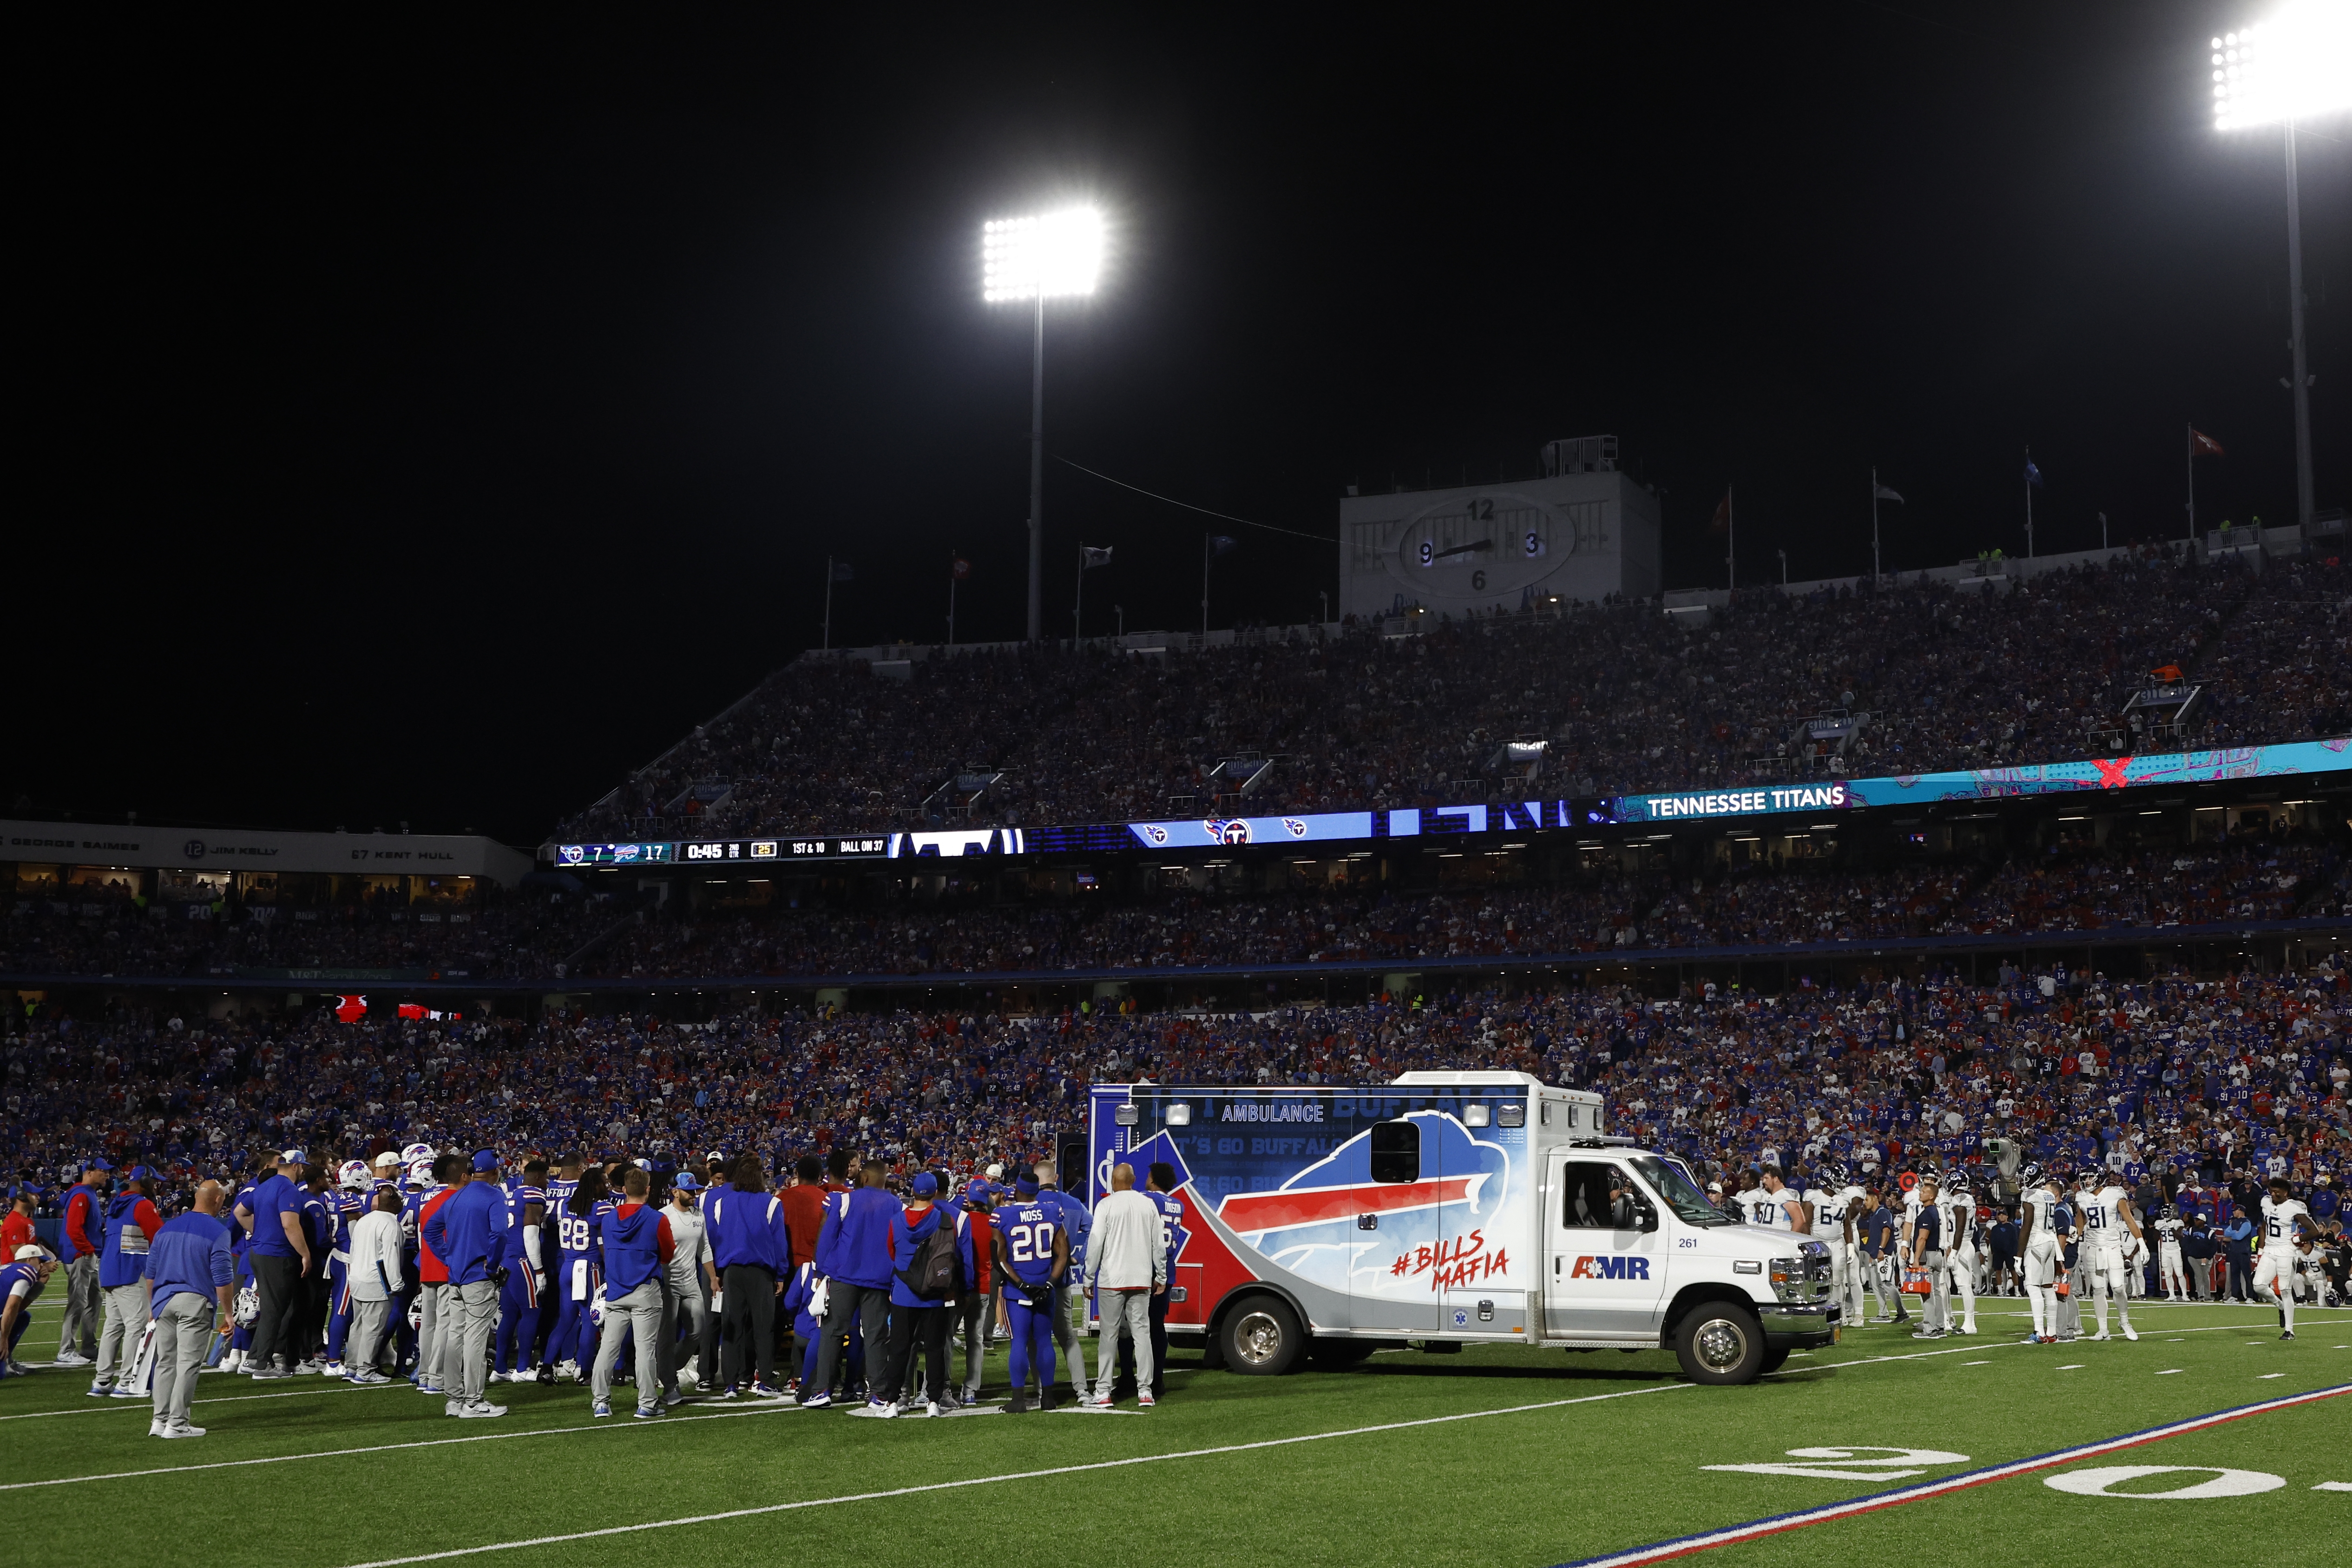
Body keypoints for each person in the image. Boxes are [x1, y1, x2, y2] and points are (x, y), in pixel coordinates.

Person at [872, 1171, 972, 1417]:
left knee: (899, 1349)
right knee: (936, 1349)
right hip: (935, 1293)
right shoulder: (945, 1219)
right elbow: (955, 1255)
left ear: (913, 1192)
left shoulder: (897, 1220)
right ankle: (934, 1402)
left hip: (904, 1293)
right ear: (937, 1192)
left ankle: (893, 1402)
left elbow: (891, 1252)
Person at [142, 1178, 235, 1439]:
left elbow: (151, 1273)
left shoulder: (167, 1228)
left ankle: (159, 1421)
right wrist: (228, 1313)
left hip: (163, 1301)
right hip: (194, 1302)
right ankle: (177, 1424)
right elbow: (222, 1277)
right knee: (187, 1365)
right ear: (218, 1200)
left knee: (165, 1363)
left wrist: (153, 1304)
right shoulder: (218, 1231)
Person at [421, 1149, 510, 1418]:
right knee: (475, 1338)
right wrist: (492, 1264)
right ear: (494, 1172)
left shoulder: (456, 1195)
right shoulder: (494, 1195)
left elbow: (430, 1231)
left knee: (454, 1335)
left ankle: (454, 1399)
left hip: (456, 1277)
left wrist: (448, 1255)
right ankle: (473, 1401)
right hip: (478, 1277)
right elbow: (500, 1232)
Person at [807, 1158, 895, 1410]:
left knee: (833, 1331)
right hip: (879, 1279)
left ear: (864, 1177)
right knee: (876, 1336)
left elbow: (826, 1234)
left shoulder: (843, 1200)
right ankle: (878, 1393)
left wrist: (821, 1270)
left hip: (845, 1275)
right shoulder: (895, 1204)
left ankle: (822, 1389)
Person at [590, 1168, 674, 1419]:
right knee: (645, 1349)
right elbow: (668, 1255)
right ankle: (647, 1404)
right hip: (645, 1291)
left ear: (624, 1190)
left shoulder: (608, 1219)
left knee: (608, 1348)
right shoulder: (657, 1219)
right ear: (648, 1190)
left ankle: (600, 1403)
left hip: (616, 1291)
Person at [707, 1154, 791, 1399]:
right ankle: (764, 1379)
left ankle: (731, 1384)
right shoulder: (772, 1203)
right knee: (763, 1327)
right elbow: (779, 1243)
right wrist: (781, 1274)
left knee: (732, 1326)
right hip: (761, 1272)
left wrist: (718, 1272)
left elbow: (714, 1239)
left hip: (731, 1272)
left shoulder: (722, 1202)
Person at [1084, 1162, 1166, 1409]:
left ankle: (1103, 1392)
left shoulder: (1106, 1205)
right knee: (1143, 1335)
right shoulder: (1148, 1204)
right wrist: (1160, 1274)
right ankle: (1145, 1392)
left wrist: (1089, 1276)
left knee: (1108, 1336)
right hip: (1141, 1279)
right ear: (1133, 1180)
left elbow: (1096, 1243)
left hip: (1112, 1280)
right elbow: (1158, 1244)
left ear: (1113, 1180)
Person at [992, 1166, 1068, 1413]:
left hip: (1018, 1290)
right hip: (1045, 1286)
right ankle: (1048, 1398)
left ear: (1016, 1190)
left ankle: (1018, 1400)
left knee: (1019, 1342)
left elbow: (999, 1258)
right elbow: (1063, 1252)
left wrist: (1022, 1285)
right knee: (1045, 1341)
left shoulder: (1003, 1215)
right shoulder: (1052, 1210)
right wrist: (1049, 1282)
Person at [236, 1149, 313, 1379]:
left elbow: (240, 1212)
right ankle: (261, 1366)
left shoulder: (263, 1186)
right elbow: (290, 1224)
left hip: (258, 1252)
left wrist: (258, 1232)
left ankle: (253, 1359)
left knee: (271, 1306)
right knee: (274, 1309)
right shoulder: (288, 1189)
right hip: (278, 1255)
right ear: (297, 1166)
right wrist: (305, 1254)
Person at [90, 1165, 164, 1397]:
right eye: (154, 1182)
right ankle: (128, 1381)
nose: (157, 1186)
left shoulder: (116, 1204)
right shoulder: (142, 1205)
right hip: (130, 1271)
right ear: (145, 1182)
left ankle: (102, 1381)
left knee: (114, 1326)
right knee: (136, 1325)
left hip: (111, 1270)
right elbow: (160, 1238)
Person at [1114, 1161, 1184, 1400]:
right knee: (1156, 1327)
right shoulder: (1178, 1204)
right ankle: (1157, 1380)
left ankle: (1127, 1377)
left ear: (1153, 1180)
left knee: (1129, 1328)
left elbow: (1125, 1195)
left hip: (1145, 1269)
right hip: (1167, 1270)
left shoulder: (1148, 1199)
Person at [1035, 1159, 1092, 1391]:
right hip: (1062, 1279)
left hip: (1033, 1280)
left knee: (1036, 1338)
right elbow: (1093, 1229)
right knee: (1068, 1337)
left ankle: (1040, 1390)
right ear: (1056, 1178)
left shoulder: (1029, 1203)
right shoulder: (1074, 1203)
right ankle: (1081, 1389)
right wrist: (1078, 1257)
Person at [410, 1152, 463, 1394]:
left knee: (429, 1324)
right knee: (445, 1323)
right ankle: (436, 1377)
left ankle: (424, 1374)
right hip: (445, 1267)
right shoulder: (457, 1200)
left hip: (427, 1266)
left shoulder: (428, 1200)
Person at [661, 1170, 715, 1400]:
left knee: (698, 1331)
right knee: (666, 1336)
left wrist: (713, 1278)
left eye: (696, 1189)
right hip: (668, 1284)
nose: (695, 1194)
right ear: (675, 1192)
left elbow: (705, 1247)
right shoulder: (663, 1216)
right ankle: (670, 1385)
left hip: (691, 1281)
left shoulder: (699, 1215)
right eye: (689, 1191)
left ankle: (665, 1370)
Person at [342, 1186, 405, 1383]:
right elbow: (391, 1257)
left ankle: (351, 1367)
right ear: (393, 1202)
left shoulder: (364, 1220)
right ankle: (366, 1370)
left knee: (358, 1325)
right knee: (374, 1328)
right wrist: (397, 1283)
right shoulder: (390, 1224)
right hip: (377, 1281)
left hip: (357, 1277)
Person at [57, 1158, 112, 1367]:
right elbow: (73, 1229)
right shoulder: (81, 1194)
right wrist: (87, 1250)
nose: (107, 1175)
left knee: (94, 1299)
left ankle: (88, 1346)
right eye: (102, 1171)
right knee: (78, 1302)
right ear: (88, 1172)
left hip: (86, 1254)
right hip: (81, 1255)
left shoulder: (86, 1193)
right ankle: (65, 1350)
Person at [2081, 1168, 2142, 1342]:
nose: (2086, 1181)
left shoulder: (2115, 1194)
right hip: (2093, 1247)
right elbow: (2081, 1222)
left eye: (2089, 1176)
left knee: (2118, 1287)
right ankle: (2103, 1330)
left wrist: (2142, 1243)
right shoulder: (2082, 1197)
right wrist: (2074, 1235)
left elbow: (2129, 1220)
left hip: (2113, 1246)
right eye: (2085, 1177)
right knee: (2098, 1289)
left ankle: (2124, 1322)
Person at [953, 1178, 996, 1404]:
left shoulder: (960, 1219)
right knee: (975, 1340)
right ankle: (970, 1390)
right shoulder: (993, 1223)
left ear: (969, 1197)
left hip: (959, 1288)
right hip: (983, 1287)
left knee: (945, 1338)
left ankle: (937, 1387)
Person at [2252, 1175, 2311, 1339]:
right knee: (2258, 1286)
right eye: (2271, 1192)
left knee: (2285, 1290)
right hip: (2270, 1251)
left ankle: (2290, 1331)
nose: (2273, 1195)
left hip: (2286, 1251)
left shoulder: (2294, 1207)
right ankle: (2280, 1306)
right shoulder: (2266, 1202)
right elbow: (2263, 1227)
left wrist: (2297, 1239)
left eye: (2277, 1192)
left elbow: (2314, 1231)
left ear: (2286, 1193)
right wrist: (2261, 1249)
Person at [1904, 1170, 1951, 1339]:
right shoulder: (1936, 1211)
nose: (1921, 1193)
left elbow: (1922, 1238)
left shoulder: (1927, 1213)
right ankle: (1939, 1327)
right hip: (1938, 1254)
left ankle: (1930, 1329)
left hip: (1928, 1256)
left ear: (1931, 1197)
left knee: (1927, 1293)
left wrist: (1916, 1259)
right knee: (1937, 1292)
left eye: (1924, 1192)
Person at [1, 1246, 59, 1374]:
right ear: (30, 1259)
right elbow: (12, 1307)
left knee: (23, 1316)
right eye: (39, 1261)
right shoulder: (27, 1270)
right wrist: (3, 1338)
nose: (42, 1265)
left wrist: (41, 1283)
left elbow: (19, 1308)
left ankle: (6, 1360)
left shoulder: (8, 1268)